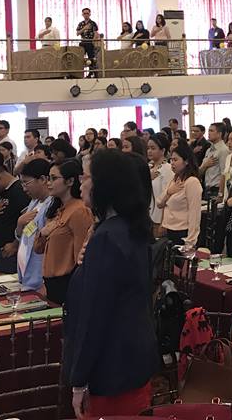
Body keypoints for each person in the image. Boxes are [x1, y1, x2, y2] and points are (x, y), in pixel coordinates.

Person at [65, 150, 157, 419]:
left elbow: (94, 315)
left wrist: (79, 379)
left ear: (104, 185)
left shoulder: (108, 237)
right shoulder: (128, 227)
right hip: (131, 357)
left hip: (111, 366)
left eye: (86, 178)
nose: (81, 184)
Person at [37, 159, 92, 304]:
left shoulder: (79, 211)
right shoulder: (57, 209)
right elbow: (38, 249)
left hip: (66, 282)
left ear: (70, 181)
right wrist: (42, 233)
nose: (48, 183)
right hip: (51, 282)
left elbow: (81, 259)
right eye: (48, 178)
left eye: (54, 178)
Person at [15, 159, 53, 292]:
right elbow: (24, 235)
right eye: (22, 183)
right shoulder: (34, 202)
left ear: (43, 179)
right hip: (26, 276)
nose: (24, 188)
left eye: (26, 183)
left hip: (40, 278)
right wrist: (19, 225)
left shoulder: (52, 205)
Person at [158, 142, 203, 245]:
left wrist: (191, 241)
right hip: (169, 230)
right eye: (171, 160)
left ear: (186, 161)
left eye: (175, 160)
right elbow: (159, 203)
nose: (172, 163)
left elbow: (194, 214)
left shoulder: (192, 182)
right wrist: (169, 192)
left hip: (182, 232)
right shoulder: (175, 179)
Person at [147, 133, 173, 232]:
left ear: (162, 150)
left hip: (159, 218)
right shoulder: (148, 167)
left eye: (153, 148)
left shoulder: (168, 169)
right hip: (147, 215)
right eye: (148, 148)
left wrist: (163, 221)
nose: (149, 151)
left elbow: (167, 197)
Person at [200, 123, 229, 199]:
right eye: (209, 131)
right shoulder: (209, 150)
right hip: (207, 189)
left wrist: (221, 194)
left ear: (219, 134)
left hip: (216, 190)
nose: (209, 133)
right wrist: (205, 165)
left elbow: (225, 173)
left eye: (211, 131)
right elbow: (200, 171)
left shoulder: (223, 150)